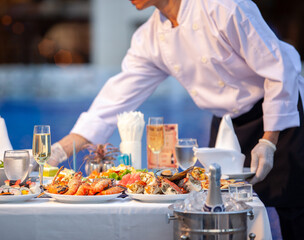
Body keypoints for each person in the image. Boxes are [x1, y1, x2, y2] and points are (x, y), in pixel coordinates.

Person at [47, 0, 304, 238]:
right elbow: (112, 102)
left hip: (277, 113)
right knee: (219, 212)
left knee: (295, 209)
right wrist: (58, 150)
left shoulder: (224, 7)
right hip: (227, 125)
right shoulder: (150, 38)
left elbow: (279, 68)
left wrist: (269, 141)